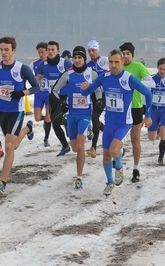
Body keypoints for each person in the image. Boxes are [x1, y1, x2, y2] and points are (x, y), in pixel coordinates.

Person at [80, 49, 153, 196]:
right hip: (109, 123)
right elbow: (87, 92)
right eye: (111, 62)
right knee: (106, 156)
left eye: (116, 62)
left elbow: (148, 93)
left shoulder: (129, 78)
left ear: (122, 61)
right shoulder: (104, 76)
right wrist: (85, 88)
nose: (113, 65)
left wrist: (148, 115)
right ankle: (110, 182)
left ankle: (119, 167)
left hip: (124, 124)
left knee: (114, 151)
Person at [0, 36, 40, 195]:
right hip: (0, 111)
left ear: (14, 50)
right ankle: (27, 129)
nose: (3, 53)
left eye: (6, 50)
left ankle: (3, 182)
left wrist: (22, 92)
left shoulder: (22, 69)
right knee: (12, 146)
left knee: (8, 146)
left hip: (16, 111)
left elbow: (36, 87)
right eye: (1, 50)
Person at [52, 46, 102, 190]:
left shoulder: (91, 73)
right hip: (72, 115)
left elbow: (98, 91)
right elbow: (54, 90)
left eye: (80, 58)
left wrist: (98, 102)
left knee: (80, 147)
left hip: (85, 114)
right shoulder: (68, 74)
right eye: (75, 58)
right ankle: (89, 131)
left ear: (84, 59)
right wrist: (61, 104)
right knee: (74, 148)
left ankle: (79, 177)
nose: (77, 60)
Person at [119, 42, 155, 183]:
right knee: (118, 139)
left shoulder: (138, 67)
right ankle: (118, 162)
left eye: (128, 54)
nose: (126, 56)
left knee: (135, 140)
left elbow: (151, 83)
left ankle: (136, 168)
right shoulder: (117, 67)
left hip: (136, 108)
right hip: (121, 109)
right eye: (123, 54)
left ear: (132, 55)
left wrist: (135, 85)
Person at [36, 41, 73, 156]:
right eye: (49, 50)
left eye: (53, 49)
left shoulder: (66, 63)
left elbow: (75, 75)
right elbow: (39, 76)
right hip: (51, 96)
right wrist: (38, 80)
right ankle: (65, 146)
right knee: (55, 123)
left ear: (58, 51)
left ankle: (66, 122)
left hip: (63, 96)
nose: (50, 52)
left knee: (56, 120)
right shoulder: (43, 64)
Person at [86, 40, 109, 158]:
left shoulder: (105, 61)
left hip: (105, 94)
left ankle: (93, 147)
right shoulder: (88, 66)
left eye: (93, 50)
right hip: (94, 95)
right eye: (89, 51)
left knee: (95, 116)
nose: (91, 53)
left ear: (98, 50)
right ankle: (107, 132)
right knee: (94, 119)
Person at [30, 42, 52, 147]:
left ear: (47, 52)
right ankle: (47, 121)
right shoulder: (34, 64)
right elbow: (27, 76)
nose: (41, 55)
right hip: (38, 94)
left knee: (48, 117)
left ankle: (46, 138)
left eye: (43, 52)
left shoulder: (52, 64)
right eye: (39, 53)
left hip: (48, 94)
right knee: (37, 118)